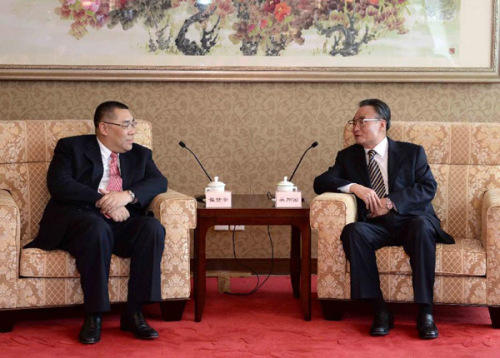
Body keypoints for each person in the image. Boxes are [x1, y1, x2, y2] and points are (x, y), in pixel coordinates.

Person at [26, 101, 167, 344]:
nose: (133, 130)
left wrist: (126, 196)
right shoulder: (71, 147)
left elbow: (158, 182)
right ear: (104, 127)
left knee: (152, 228)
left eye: (133, 124)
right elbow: (59, 184)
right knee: (96, 227)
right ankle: (94, 314)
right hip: (79, 221)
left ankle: (134, 312)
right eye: (126, 125)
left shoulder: (141, 154)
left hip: (122, 221)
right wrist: (105, 201)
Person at [314, 99, 454, 340]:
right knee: (353, 231)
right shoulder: (348, 157)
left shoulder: (412, 152)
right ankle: (379, 310)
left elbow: (427, 188)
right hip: (376, 227)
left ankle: (425, 312)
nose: (354, 127)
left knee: (421, 227)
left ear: (381, 124)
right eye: (353, 122)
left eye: (361, 121)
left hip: (411, 221)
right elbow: (321, 182)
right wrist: (354, 187)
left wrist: (390, 202)